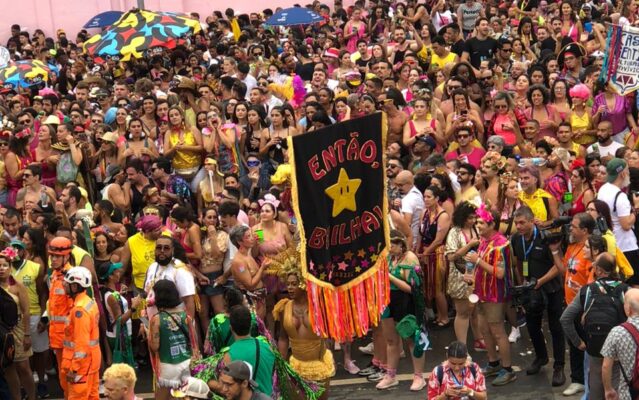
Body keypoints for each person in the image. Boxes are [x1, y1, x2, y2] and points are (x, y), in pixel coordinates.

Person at [561, 252, 628, 399]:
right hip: (618, 349)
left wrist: (578, 342)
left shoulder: (587, 291)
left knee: (596, 387)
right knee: (617, 388)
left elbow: (565, 319)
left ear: (598, 270)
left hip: (594, 347)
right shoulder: (624, 290)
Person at [511, 206, 565, 387]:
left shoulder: (545, 237)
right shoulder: (517, 239)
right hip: (531, 290)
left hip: (552, 288)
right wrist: (523, 283)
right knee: (532, 326)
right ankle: (541, 357)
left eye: (522, 223)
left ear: (532, 220)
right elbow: (519, 261)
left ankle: (559, 366)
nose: (518, 226)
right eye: (516, 223)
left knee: (556, 327)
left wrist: (540, 281)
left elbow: (558, 266)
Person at [464, 204, 515, 386]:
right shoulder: (484, 241)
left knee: (498, 332)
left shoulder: (501, 244)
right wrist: (470, 276)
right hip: (481, 293)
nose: (477, 225)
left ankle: (508, 369)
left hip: (495, 295)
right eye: (477, 222)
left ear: (492, 224)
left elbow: (500, 273)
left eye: (481, 223)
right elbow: (479, 266)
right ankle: (493, 363)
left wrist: (477, 260)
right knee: (484, 329)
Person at [273, 254, 334, 398]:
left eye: (294, 284)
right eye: (288, 284)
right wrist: (281, 365)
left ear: (303, 284)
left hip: (319, 365)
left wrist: (329, 357)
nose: (290, 288)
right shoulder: (283, 307)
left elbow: (329, 335)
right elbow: (283, 337)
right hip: (296, 366)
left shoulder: (318, 306)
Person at [551, 213, 596, 397]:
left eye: (574, 227)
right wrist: (555, 251)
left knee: (587, 347)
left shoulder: (589, 250)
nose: (570, 229)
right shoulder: (572, 246)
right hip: (570, 303)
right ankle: (578, 380)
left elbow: (593, 281)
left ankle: (591, 382)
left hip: (584, 308)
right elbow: (564, 270)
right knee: (575, 345)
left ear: (585, 230)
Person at [148, 279, 198, 400]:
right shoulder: (186, 316)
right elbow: (194, 340)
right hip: (186, 363)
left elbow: (155, 346)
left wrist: (147, 333)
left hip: (168, 366)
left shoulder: (157, 319)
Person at [445, 202, 483, 349]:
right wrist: (469, 245)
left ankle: (479, 339)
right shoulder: (454, 232)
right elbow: (451, 257)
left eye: (475, 218)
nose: (473, 221)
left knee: (475, 310)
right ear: (462, 217)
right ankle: (461, 347)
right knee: (463, 312)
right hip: (459, 277)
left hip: (476, 275)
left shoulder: (477, 229)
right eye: (470, 218)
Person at [596, 158, 639, 285]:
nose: (629, 175)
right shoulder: (620, 197)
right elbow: (626, 224)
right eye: (627, 171)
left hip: (611, 244)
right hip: (626, 247)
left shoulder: (603, 189)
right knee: (634, 284)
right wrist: (636, 208)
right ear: (622, 174)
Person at [61, 266, 101, 400]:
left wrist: (74, 369)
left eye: (67, 283)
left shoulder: (79, 311)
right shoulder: (89, 302)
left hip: (81, 366)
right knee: (92, 396)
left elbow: (81, 343)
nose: (64, 285)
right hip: (91, 362)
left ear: (75, 287)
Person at [0, 247, 34, 400]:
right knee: (8, 367)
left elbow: (26, 311)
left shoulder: (18, 286)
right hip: (2, 332)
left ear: (10, 266)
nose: (1, 269)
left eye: (4, 265)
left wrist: (27, 334)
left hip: (19, 330)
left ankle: (33, 397)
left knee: (24, 367)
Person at [143, 235, 197, 321]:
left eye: (166, 248)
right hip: (152, 321)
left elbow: (188, 300)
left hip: (174, 324)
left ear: (173, 250)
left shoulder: (180, 270)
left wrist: (188, 326)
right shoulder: (152, 267)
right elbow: (147, 294)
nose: (162, 251)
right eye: (159, 247)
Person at [601, 287, 639, 400]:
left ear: (628, 309)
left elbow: (606, 366)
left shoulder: (617, 332)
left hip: (629, 393)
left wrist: (608, 389)